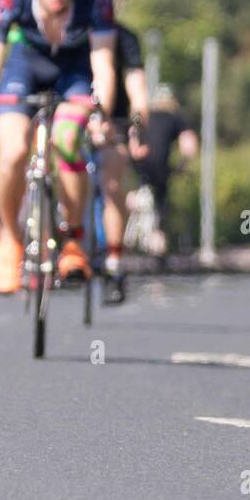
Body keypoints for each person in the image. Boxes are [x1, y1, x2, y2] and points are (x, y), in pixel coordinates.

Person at [0, 0, 117, 294]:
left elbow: (103, 64)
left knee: (67, 140)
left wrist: (100, 114)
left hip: (73, 72)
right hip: (24, 68)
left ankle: (73, 237)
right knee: (15, 151)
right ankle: (8, 237)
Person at [97, 24, 151, 303]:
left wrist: (138, 128)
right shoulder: (66, 29)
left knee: (112, 180)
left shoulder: (126, 38)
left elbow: (138, 91)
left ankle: (115, 263)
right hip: (71, 114)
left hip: (114, 121)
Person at [131, 85, 198, 256]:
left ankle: (130, 212)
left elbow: (132, 134)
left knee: (136, 190)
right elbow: (189, 146)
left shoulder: (145, 115)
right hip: (160, 167)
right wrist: (183, 166)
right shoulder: (175, 117)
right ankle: (157, 249)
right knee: (160, 206)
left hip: (138, 162)